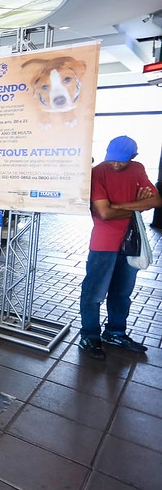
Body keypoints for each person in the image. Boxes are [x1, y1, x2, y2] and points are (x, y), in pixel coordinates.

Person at [78, 135, 161, 360]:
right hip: (103, 243)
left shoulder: (137, 169)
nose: (115, 164)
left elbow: (156, 201)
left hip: (130, 241)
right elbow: (104, 213)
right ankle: (89, 336)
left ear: (133, 157)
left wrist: (121, 206)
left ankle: (115, 332)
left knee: (122, 293)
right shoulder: (98, 172)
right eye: (112, 159)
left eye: (121, 161)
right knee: (94, 293)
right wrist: (137, 206)